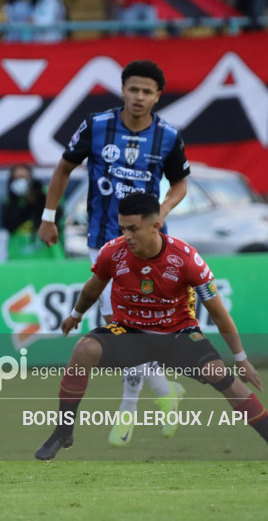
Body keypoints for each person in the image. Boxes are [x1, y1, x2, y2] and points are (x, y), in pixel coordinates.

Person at [34, 192, 268, 460]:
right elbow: (93, 289)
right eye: (123, 228)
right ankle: (63, 432)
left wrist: (241, 360)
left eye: (134, 229)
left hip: (177, 334)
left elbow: (218, 313)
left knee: (219, 373)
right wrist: (76, 314)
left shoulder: (185, 259)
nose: (127, 236)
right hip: (130, 332)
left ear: (155, 226)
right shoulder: (112, 253)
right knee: (83, 350)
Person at [38, 59, 189, 446]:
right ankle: (160, 393)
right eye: (133, 89)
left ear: (157, 96)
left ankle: (131, 408)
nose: (139, 97)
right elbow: (63, 168)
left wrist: (161, 213)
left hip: (148, 246)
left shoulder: (168, 136)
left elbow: (180, 185)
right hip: (103, 239)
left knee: (128, 327)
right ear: (123, 90)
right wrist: (48, 216)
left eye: (147, 91)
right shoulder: (97, 125)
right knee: (123, 327)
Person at [1, 164, 64, 260]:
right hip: (19, 256)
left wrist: (37, 199)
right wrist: (26, 203)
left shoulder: (45, 195)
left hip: (48, 255)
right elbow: (10, 224)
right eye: (17, 178)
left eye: (23, 178)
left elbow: (57, 216)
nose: (21, 182)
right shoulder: (9, 201)